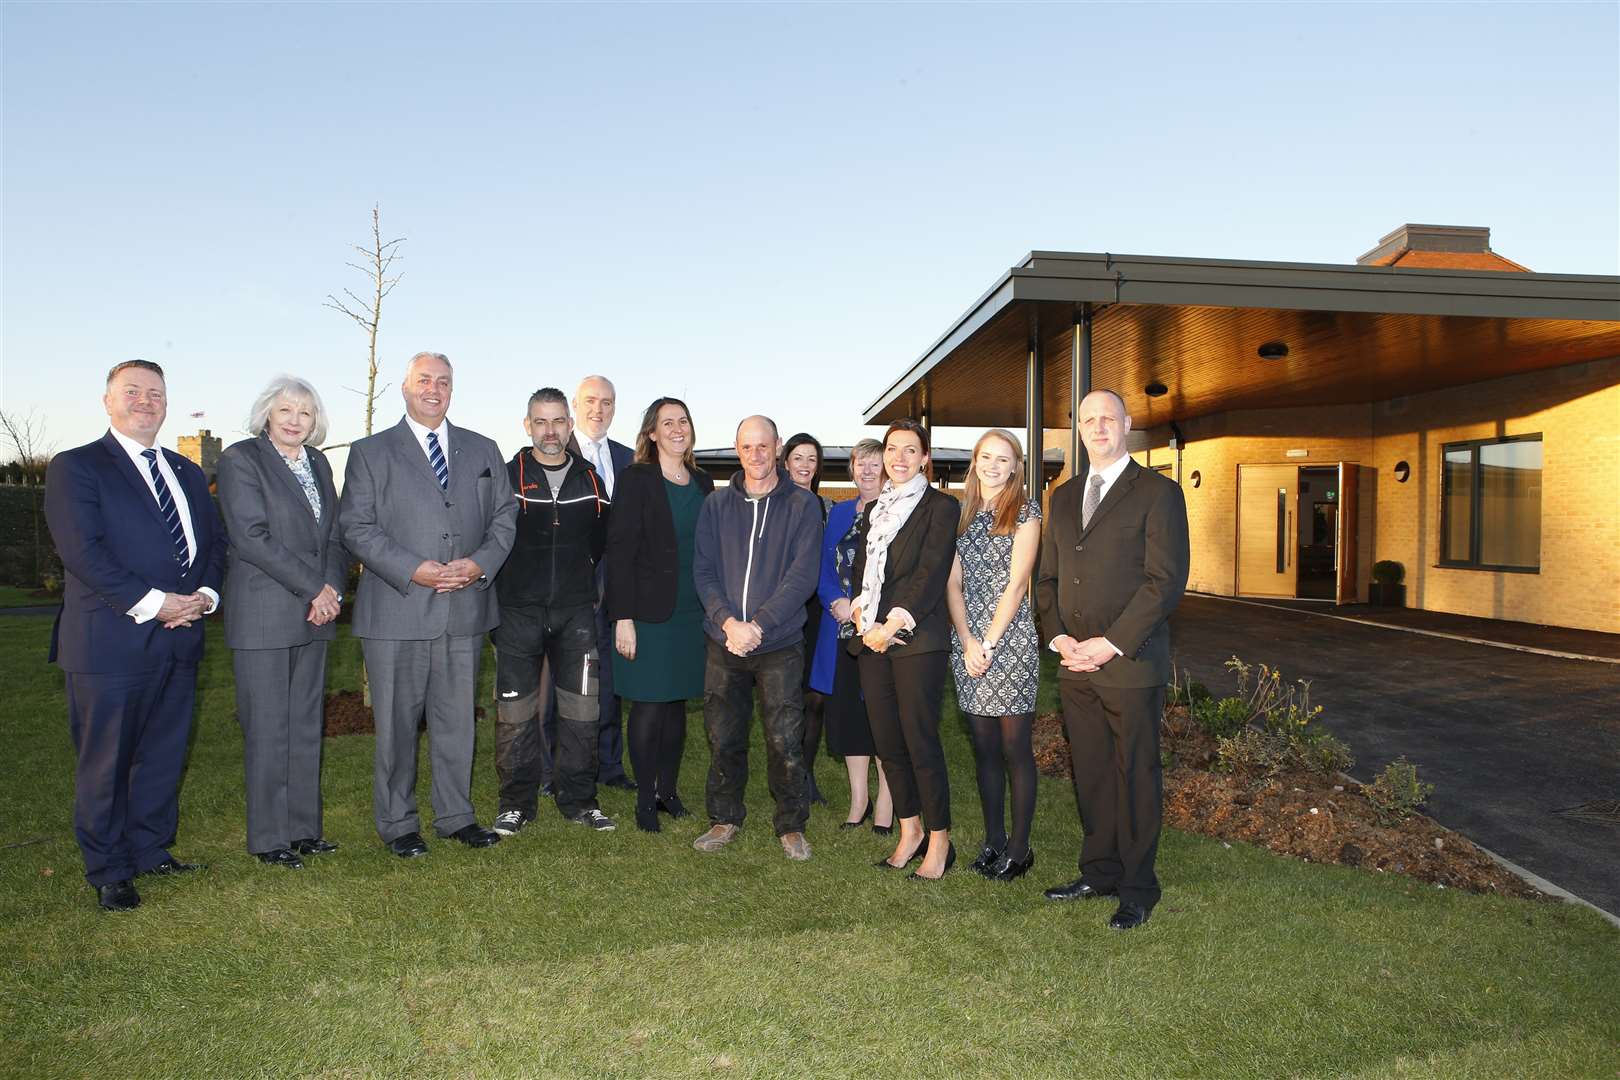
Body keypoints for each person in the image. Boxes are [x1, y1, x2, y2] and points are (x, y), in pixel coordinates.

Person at [44, 359, 226, 911]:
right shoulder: (77, 467)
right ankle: (109, 868)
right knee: (107, 760)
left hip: (181, 636)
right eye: (133, 391)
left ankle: (150, 850)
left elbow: (214, 545)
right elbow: (83, 552)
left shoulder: (188, 472)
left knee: (163, 754)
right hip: (112, 643)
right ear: (107, 401)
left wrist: (206, 597)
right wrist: (155, 603)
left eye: (156, 393)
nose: (146, 401)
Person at [338, 350, 517, 858]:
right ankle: (398, 823)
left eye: (443, 381)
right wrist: (412, 568)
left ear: (452, 389)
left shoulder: (482, 449)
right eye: (424, 380)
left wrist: (480, 563)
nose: (433, 389)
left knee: (457, 720)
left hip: (464, 610)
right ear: (405, 386)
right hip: (397, 609)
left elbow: (505, 516)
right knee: (396, 725)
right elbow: (356, 526)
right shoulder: (371, 452)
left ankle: (456, 815)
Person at [1036, 389, 1190, 930]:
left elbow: (1164, 583)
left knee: (1135, 775)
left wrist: (1111, 642)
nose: (1098, 427)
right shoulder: (1065, 494)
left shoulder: (1158, 493)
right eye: (1088, 420)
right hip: (1074, 664)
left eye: (1108, 418)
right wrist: (1058, 639)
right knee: (1094, 772)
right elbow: (1048, 578)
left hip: (1129, 663)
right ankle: (1099, 870)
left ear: (1127, 424)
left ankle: (1137, 886)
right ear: (1078, 429)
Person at [215, 376, 348, 870]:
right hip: (265, 616)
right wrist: (314, 588)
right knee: (268, 728)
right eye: (286, 411)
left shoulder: (317, 462)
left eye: (306, 414)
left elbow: (332, 536)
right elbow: (252, 537)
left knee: (304, 726)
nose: (295, 421)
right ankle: (270, 838)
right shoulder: (241, 460)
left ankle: (304, 830)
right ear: (267, 414)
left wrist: (330, 590)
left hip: (316, 614)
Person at [690, 415, 823, 861]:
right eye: (748, 448)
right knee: (723, 735)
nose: (756, 455)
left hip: (779, 643)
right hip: (723, 641)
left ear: (778, 447)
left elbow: (802, 576)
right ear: (737, 449)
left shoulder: (802, 506)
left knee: (785, 738)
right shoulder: (716, 505)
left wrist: (759, 625)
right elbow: (703, 571)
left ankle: (791, 824)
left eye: (764, 446)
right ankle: (725, 817)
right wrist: (729, 623)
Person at [490, 388, 615, 837]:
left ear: (569, 424)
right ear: (528, 426)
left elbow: (599, 544)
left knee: (582, 711)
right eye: (540, 422)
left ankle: (580, 800)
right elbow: (492, 542)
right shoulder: (507, 477)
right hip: (517, 612)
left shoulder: (591, 479)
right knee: (516, 714)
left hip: (575, 613)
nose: (550, 431)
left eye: (558, 421)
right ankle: (515, 804)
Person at [850, 418, 960, 881]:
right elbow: (865, 571)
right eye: (892, 449)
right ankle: (909, 829)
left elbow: (930, 572)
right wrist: (862, 617)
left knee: (920, 741)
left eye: (909, 450)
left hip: (917, 639)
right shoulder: (878, 508)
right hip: (872, 640)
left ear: (924, 457)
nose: (898, 458)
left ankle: (939, 840)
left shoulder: (941, 506)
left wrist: (891, 622)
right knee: (888, 742)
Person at [605, 397, 714, 832]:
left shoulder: (704, 483)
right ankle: (645, 799)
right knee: (649, 708)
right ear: (651, 433)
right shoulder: (636, 479)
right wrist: (623, 617)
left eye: (683, 420)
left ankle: (668, 791)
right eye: (667, 422)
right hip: (648, 614)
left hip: (693, 612)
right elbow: (620, 550)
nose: (676, 428)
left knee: (675, 709)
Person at [946, 429, 1042, 882]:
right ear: (975, 461)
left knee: (1013, 748)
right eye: (987, 457)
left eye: (1004, 459)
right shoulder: (961, 513)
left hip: (1010, 642)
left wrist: (987, 642)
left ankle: (1020, 851)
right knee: (984, 749)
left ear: (1016, 466)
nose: (993, 466)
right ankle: (993, 840)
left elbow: (1018, 583)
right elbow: (952, 584)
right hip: (967, 645)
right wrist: (966, 638)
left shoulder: (1025, 510)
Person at [811, 437, 894, 833]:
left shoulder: (897, 510)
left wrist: (866, 609)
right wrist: (836, 601)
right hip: (840, 627)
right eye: (860, 463)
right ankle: (859, 800)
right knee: (849, 716)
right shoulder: (840, 512)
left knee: (881, 716)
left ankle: (888, 805)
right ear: (851, 468)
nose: (867, 470)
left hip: (880, 631)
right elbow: (824, 567)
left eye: (875, 464)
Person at [571, 374, 637, 792]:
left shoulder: (631, 459)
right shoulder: (557, 452)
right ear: (576, 405)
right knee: (570, 681)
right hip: (572, 589)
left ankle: (610, 765)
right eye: (591, 401)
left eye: (607, 403)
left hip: (621, 588)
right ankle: (560, 766)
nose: (599, 410)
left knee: (611, 683)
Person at [781, 431, 830, 806]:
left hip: (820, 614)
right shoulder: (775, 505)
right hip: (784, 612)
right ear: (785, 462)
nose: (804, 465)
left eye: (811, 459)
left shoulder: (828, 507)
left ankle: (806, 774)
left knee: (815, 698)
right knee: (788, 698)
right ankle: (785, 773)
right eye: (798, 458)